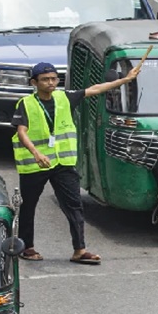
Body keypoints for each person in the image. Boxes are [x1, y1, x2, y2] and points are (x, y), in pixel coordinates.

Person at [12, 61, 141, 264]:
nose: (51, 83)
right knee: (29, 206)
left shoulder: (64, 97)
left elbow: (95, 89)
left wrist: (125, 80)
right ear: (34, 82)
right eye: (45, 80)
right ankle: (27, 247)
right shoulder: (25, 104)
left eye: (54, 79)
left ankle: (79, 250)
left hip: (63, 163)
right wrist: (36, 153)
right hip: (35, 165)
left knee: (74, 204)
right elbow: (22, 132)